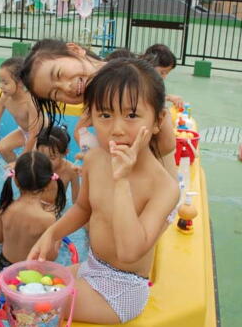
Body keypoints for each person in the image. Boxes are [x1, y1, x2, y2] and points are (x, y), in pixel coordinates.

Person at [28, 58, 179, 324]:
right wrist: (52, 233)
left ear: (158, 120)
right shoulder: (96, 159)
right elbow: (85, 208)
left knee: (33, 305)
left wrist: (121, 181)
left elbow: (131, 251)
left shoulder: (163, 187)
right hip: (92, 267)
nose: (117, 129)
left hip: (122, 290)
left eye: (132, 115)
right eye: (105, 115)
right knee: (29, 283)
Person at [19, 39, 177, 179]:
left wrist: (104, 163)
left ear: (74, 50)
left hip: (157, 181)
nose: (66, 88)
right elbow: (80, 130)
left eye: (59, 74)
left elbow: (168, 143)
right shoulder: (96, 94)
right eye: (56, 93)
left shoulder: (127, 79)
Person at [0, 151, 66, 273]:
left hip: (1, 266)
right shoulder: (47, 218)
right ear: (48, 183)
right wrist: (59, 237)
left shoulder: (5, 207)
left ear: (15, 180)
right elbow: (51, 257)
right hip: (30, 273)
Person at [0, 57, 42, 162]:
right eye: (0, 82)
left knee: (32, 161)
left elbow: (33, 134)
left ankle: (21, 167)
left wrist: (21, 161)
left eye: (5, 83)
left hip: (41, 135)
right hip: (25, 131)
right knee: (2, 147)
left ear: (20, 82)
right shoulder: (5, 98)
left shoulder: (30, 102)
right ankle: (14, 172)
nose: (1, 86)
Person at [36, 126, 80, 203]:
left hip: (56, 210)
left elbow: (76, 201)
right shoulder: (33, 165)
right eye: (41, 156)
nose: (45, 162)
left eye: (52, 157)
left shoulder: (71, 170)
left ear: (65, 153)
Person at [143, 44, 184, 109]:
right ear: (149, 65)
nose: (164, 77)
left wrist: (167, 97)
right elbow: (144, 98)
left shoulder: (154, 82)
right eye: (162, 72)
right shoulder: (138, 79)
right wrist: (168, 97)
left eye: (167, 73)